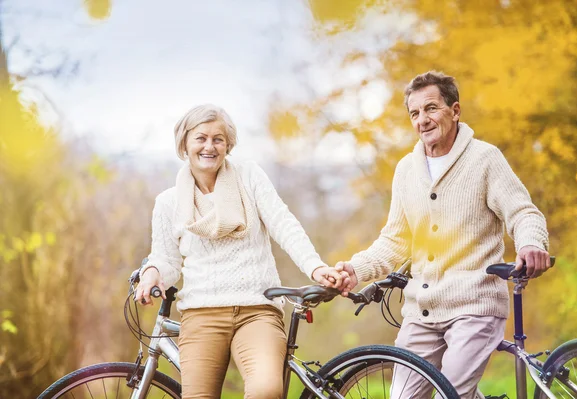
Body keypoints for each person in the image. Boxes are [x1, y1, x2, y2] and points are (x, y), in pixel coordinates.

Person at [335, 71, 551, 398]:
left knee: (449, 394)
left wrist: (532, 242)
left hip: (474, 305)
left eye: (431, 108)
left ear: (455, 110)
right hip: (421, 312)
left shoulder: (484, 158)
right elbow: (395, 241)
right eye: (415, 113)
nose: (423, 119)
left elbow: (523, 212)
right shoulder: (406, 170)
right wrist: (355, 269)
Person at [134, 104, 343, 399]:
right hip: (201, 314)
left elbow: (283, 223)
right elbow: (166, 259)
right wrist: (152, 273)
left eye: (218, 139)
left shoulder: (249, 177)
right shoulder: (168, 203)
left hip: (257, 310)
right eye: (201, 138)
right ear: (185, 144)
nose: (210, 146)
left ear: (228, 145)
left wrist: (315, 266)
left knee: (267, 391)